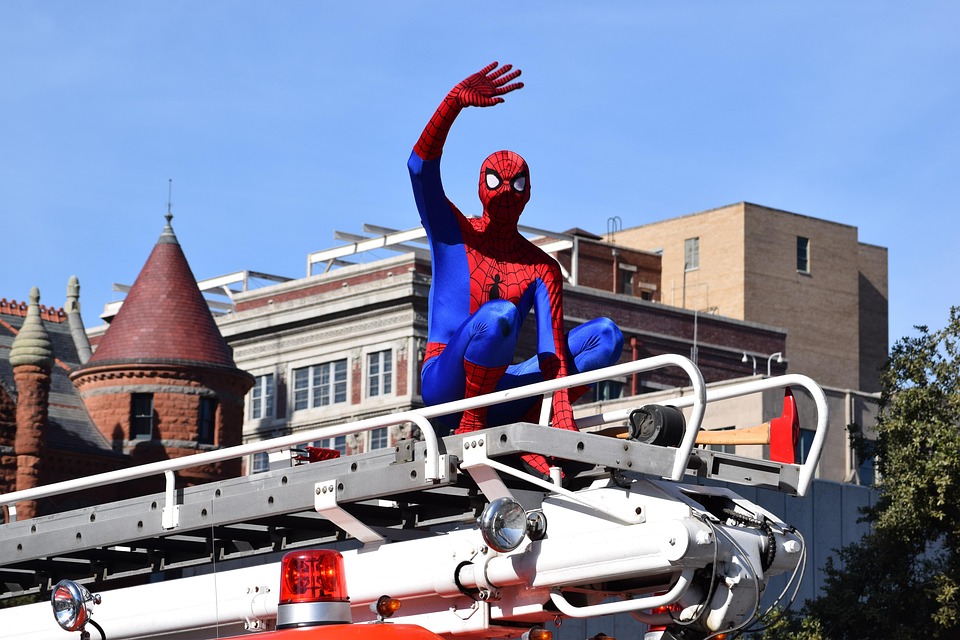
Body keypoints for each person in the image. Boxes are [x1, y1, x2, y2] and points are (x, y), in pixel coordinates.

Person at [408, 62, 623, 478]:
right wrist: (452, 103)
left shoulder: (542, 267)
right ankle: (472, 425)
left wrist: (561, 417)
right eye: (497, 181)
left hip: (502, 389)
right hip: (446, 385)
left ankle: (529, 421)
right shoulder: (454, 233)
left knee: (606, 335)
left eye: (517, 183)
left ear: (528, 193)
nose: (506, 191)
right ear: (480, 186)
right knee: (500, 316)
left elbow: (553, 354)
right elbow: (419, 170)